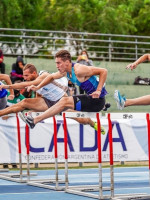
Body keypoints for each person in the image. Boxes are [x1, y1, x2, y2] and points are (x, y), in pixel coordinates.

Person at [0, 63, 103, 133]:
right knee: (24, 102)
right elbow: (38, 97)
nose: (24, 78)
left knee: (82, 120)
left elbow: (27, 83)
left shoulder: (43, 75)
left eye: (26, 75)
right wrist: (33, 110)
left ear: (34, 73)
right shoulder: (36, 86)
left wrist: (7, 86)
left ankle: (93, 124)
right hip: (48, 102)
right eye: (24, 76)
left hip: (62, 101)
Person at [21, 50, 108, 131]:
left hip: (97, 101)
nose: (57, 66)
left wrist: (98, 90)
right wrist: (37, 87)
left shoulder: (79, 70)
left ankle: (34, 121)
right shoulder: (65, 72)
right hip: (90, 98)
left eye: (59, 63)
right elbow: (51, 77)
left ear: (67, 62)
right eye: (56, 63)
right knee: (68, 109)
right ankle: (93, 124)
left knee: (64, 101)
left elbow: (104, 71)